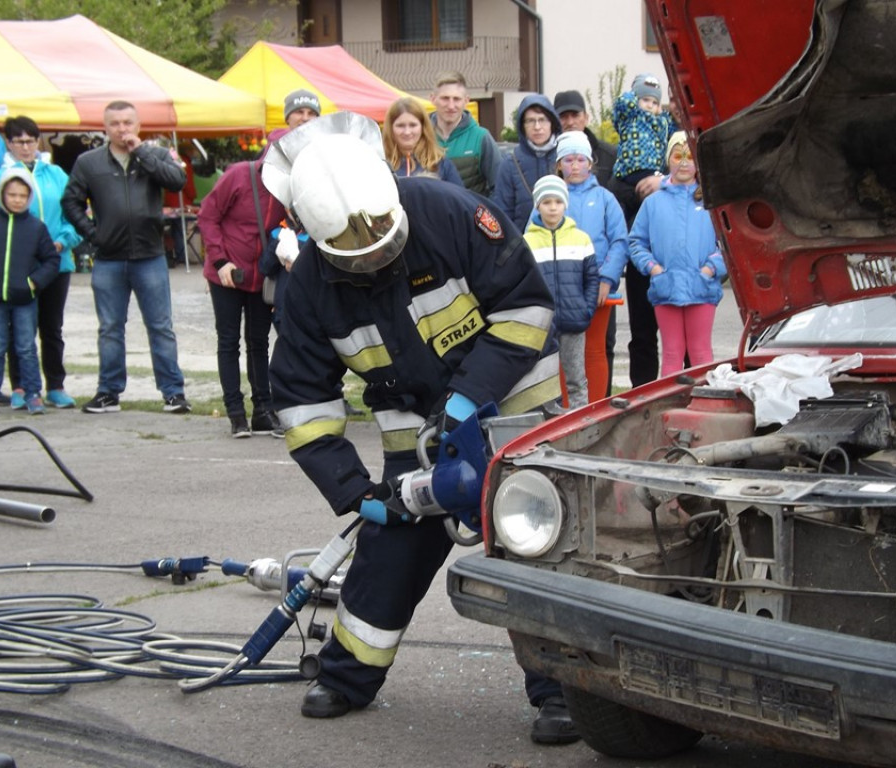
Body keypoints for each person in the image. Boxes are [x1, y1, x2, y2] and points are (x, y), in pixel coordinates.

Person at [264, 120, 577, 744]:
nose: (376, 258)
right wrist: (356, 492)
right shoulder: (308, 290)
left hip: (516, 412)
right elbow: (301, 401)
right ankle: (347, 675)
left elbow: (526, 305)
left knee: (536, 546)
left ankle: (564, 691)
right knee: (391, 548)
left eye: (384, 244)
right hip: (415, 431)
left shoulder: (450, 212)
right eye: (359, 257)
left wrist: (469, 396)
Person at [62, 100, 191, 414]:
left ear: (138, 125)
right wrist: (94, 235)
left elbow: (177, 182)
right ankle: (108, 392)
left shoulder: (155, 155)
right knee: (110, 328)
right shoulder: (88, 162)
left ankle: (173, 393)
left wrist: (142, 152)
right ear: (105, 127)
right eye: (115, 124)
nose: (122, 129)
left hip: (150, 255)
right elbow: (71, 201)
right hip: (108, 258)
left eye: (127, 123)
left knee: (160, 326)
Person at [197, 144, 288, 439]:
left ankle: (263, 410)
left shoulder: (289, 187)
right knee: (229, 341)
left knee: (259, 343)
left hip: (261, 275)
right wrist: (220, 259)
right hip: (227, 273)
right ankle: (236, 413)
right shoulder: (238, 175)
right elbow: (207, 217)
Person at [0, 116, 82, 410]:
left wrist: (64, 240)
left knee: (51, 326)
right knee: (18, 329)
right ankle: (20, 385)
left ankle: (55, 385)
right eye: (18, 141)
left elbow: (75, 211)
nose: (25, 146)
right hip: (19, 266)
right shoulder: (3, 176)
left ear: (38, 141)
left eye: (30, 140)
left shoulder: (56, 174)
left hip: (56, 262)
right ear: (8, 143)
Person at [628, 132, 727, 375]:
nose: (684, 163)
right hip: (666, 287)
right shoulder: (653, 203)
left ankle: (704, 404)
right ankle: (670, 405)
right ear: (668, 160)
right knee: (671, 353)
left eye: (690, 156)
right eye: (677, 156)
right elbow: (636, 242)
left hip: (701, 288)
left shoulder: (710, 202)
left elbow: (727, 243)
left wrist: (710, 268)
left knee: (701, 352)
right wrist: (653, 268)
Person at [612, 73, 679, 386]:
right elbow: (617, 189)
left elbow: (690, 179)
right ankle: (642, 393)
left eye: (656, 102)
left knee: (680, 334)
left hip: (674, 256)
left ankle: (684, 388)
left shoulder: (673, 138)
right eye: (644, 101)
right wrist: (640, 191)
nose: (650, 107)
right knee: (642, 333)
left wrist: (662, 182)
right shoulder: (627, 148)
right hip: (640, 259)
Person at [555, 131, 627, 403]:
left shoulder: (606, 198)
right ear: (559, 164)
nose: (574, 165)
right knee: (565, 352)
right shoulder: (550, 198)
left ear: (590, 162)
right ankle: (565, 411)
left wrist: (606, 279)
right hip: (562, 290)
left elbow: (620, 241)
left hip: (597, 288)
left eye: (580, 159)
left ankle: (595, 408)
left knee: (594, 350)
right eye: (568, 159)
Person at [524, 174, 598, 410]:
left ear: (565, 203)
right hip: (543, 326)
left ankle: (580, 423)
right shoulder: (527, 242)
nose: (553, 208)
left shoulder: (581, 239)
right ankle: (550, 426)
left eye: (557, 202)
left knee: (576, 378)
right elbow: (523, 283)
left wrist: (586, 309)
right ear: (538, 205)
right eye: (547, 202)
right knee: (546, 382)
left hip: (575, 321)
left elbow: (592, 278)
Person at [0, 169, 60, 415]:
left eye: (23, 195)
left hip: (25, 300)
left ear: (29, 197)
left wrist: (33, 283)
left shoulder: (36, 227)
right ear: (3, 194)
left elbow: (51, 261)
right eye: (12, 194)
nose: (17, 200)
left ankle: (32, 393)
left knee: (25, 347)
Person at [491, 93, 562, 232]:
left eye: (542, 120)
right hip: (523, 245)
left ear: (552, 123)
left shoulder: (564, 157)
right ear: (522, 126)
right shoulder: (510, 164)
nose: (537, 127)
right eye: (530, 121)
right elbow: (502, 214)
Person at [429, 71, 502, 197]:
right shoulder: (420, 136)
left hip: (470, 215)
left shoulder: (481, 137)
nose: (451, 106)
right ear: (433, 99)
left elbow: (499, 186)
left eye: (456, 99)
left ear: (466, 100)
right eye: (445, 98)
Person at [383, 97, 463, 185]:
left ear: (423, 127)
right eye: (400, 126)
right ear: (390, 128)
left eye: (413, 125)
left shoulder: (441, 164)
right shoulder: (380, 164)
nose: (407, 132)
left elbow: (459, 197)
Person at [553, 90, 618, 192]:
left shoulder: (609, 155)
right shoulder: (549, 156)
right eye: (563, 116)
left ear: (586, 118)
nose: (570, 122)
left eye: (575, 115)